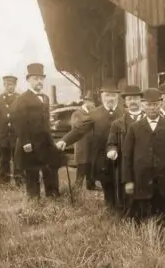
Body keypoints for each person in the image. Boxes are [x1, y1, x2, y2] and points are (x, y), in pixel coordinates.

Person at [61, 80, 123, 209]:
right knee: (108, 187)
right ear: (101, 97)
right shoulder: (94, 114)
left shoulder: (124, 113)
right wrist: (64, 140)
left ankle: (123, 212)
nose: (110, 98)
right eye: (107, 95)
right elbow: (79, 130)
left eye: (113, 95)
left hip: (122, 157)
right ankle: (111, 213)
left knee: (122, 186)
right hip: (102, 158)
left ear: (117, 96)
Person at [123, 88, 165, 221]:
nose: (152, 108)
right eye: (149, 104)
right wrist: (128, 181)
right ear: (143, 106)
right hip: (142, 181)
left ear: (160, 104)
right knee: (143, 216)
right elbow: (127, 156)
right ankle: (146, 239)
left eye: (155, 104)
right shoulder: (135, 127)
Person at [12, 63, 63, 200]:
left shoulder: (45, 98)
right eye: (35, 79)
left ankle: (53, 196)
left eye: (41, 79)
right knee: (32, 173)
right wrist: (25, 142)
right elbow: (19, 123)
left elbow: (45, 122)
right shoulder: (22, 100)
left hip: (45, 142)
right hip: (30, 144)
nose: (39, 81)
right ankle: (34, 201)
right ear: (28, 80)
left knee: (50, 169)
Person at [107, 85, 144, 212]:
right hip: (126, 163)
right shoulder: (117, 124)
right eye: (129, 99)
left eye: (135, 98)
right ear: (126, 102)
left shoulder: (149, 119)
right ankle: (128, 219)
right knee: (128, 194)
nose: (133, 101)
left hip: (146, 164)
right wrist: (112, 150)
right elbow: (111, 143)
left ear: (141, 100)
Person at [0, 73, 20, 186]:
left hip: (17, 136)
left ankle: (20, 182)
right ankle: (4, 183)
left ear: (15, 85)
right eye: (7, 84)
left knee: (18, 160)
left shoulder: (20, 99)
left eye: (11, 85)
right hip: (3, 137)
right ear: (4, 85)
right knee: (4, 160)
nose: (9, 87)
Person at [69, 96, 95, 188]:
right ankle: (78, 187)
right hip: (82, 144)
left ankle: (91, 184)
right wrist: (91, 120)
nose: (93, 105)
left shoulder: (92, 112)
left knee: (91, 164)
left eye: (93, 103)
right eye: (91, 102)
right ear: (85, 102)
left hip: (92, 144)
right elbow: (77, 126)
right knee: (82, 165)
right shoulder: (77, 113)